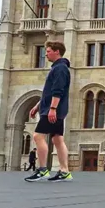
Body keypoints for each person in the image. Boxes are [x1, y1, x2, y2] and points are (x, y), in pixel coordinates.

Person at [25, 40, 72, 182]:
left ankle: (43, 169)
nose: (46, 54)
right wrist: (37, 106)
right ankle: (64, 171)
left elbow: (58, 91)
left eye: (48, 51)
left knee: (38, 136)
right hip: (53, 109)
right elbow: (48, 92)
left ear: (57, 51)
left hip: (52, 110)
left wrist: (52, 109)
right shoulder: (58, 68)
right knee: (57, 139)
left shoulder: (60, 69)